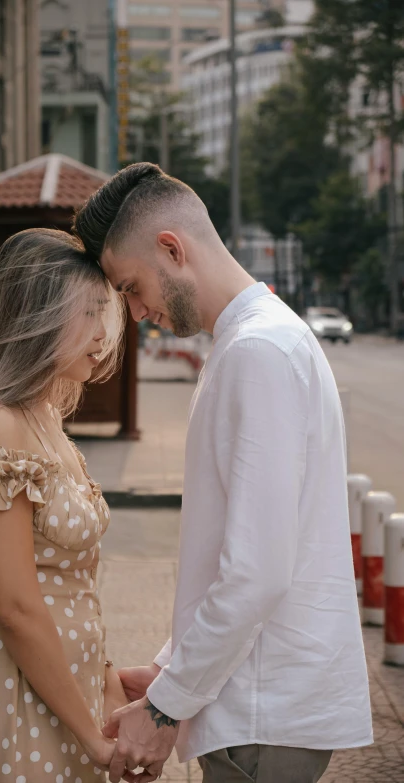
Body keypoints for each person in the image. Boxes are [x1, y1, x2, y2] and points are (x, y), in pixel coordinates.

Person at [72, 163, 373, 783]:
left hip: (263, 711)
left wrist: (162, 708)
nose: (132, 309)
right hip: (256, 702)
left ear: (172, 249)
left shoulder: (257, 351)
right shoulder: (255, 342)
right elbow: (231, 559)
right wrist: (169, 668)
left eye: (130, 287)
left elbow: (256, 573)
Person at [0, 228, 128, 781]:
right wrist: (91, 737)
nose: (103, 335)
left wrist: (105, 676)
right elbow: (15, 607)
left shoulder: (44, 416)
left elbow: (69, 585)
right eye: (88, 313)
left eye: (104, 312)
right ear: (34, 317)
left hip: (65, 689)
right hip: (13, 700)